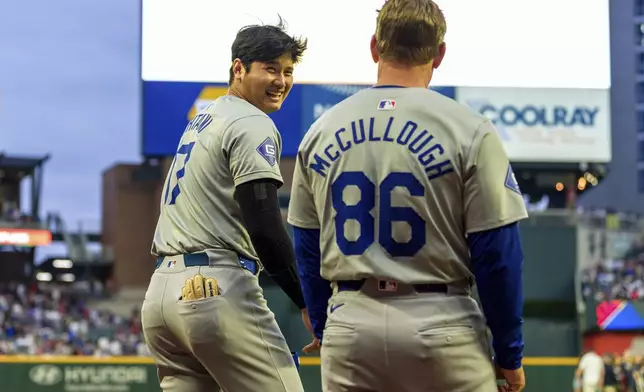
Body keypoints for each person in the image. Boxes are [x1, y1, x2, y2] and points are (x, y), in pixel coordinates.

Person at [287, 0, 528, 391]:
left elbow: (307, 245)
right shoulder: (470, 128)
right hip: (440, 321)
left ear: (374, 47)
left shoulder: (322, 129)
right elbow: (497, 254)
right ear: (439, 54)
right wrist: (509, 353)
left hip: (351, 321)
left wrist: (325, 323)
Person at [141, 19, 312, 392]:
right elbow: (264, 223)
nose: (281, 81)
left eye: (287, 71)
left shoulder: (203, 120)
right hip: (214, 287)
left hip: (159, 298)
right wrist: (306, 298)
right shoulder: (252, 121)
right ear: (239, 68)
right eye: (270, 69)